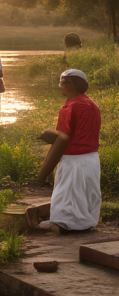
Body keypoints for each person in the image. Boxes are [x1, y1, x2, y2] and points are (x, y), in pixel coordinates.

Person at [36, 69, 101, 233]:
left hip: (73, 160)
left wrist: (42, 175)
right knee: (86, 193)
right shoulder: (92, 105)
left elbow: (63, 140)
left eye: (62, 83)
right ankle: (86, 222)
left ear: (70, 84)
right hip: (92, 158)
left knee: (67, 193)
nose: (60, 87)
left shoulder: (70, 107)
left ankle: (63, 224)